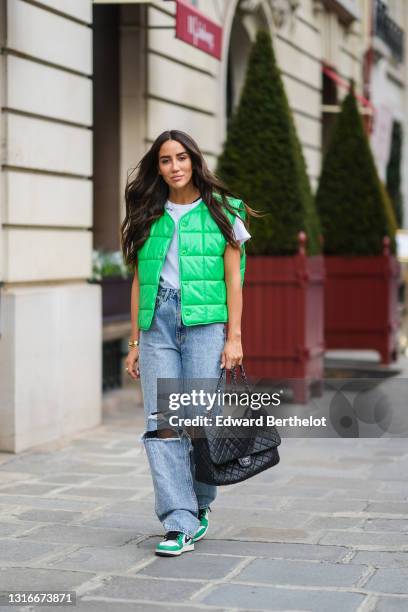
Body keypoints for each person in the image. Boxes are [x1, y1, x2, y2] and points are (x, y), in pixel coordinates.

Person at [120, 129, 257, 557]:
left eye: (181, 157)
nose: (174, 166)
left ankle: (200, 504)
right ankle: (177, 521)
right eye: (165, 160)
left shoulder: (224, 210)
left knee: (198, 420)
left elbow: (235, 279)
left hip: (205, 325)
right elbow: (141, 279)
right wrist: (134, 340)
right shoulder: (148, 211)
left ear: (194, 161)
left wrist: (234, 337)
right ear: (157, 167)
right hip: (157, 323)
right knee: (163, 424)